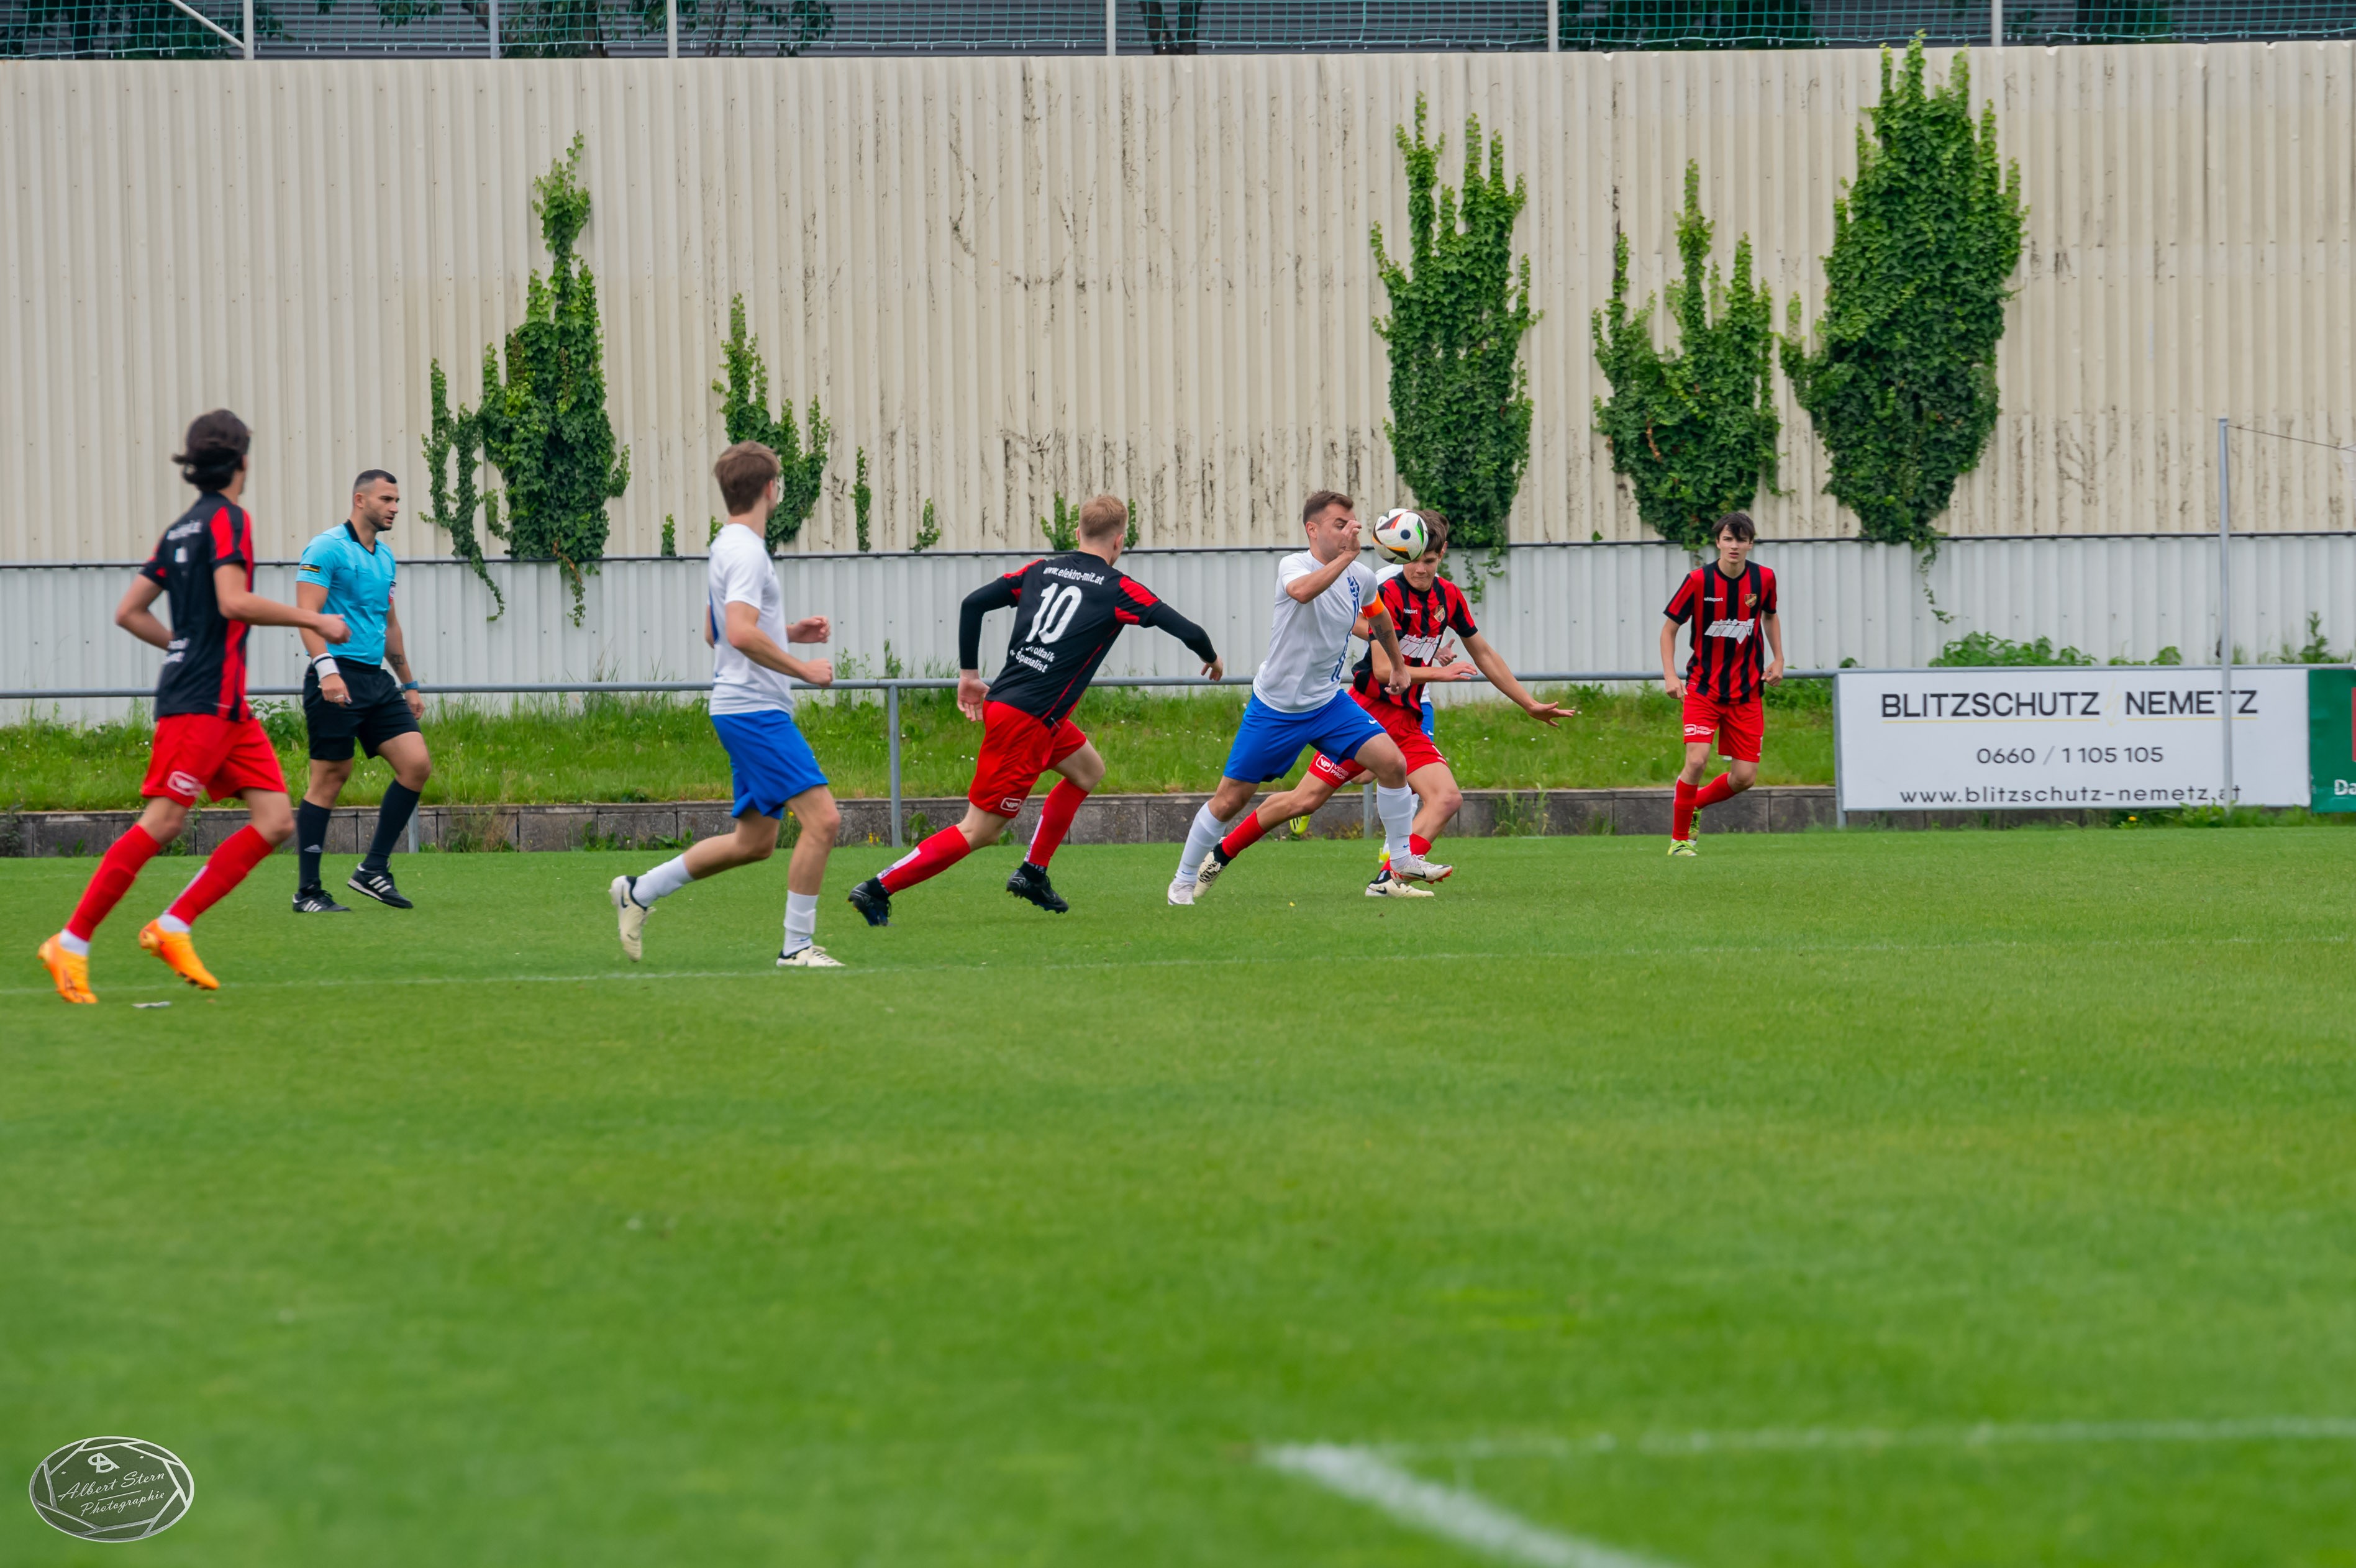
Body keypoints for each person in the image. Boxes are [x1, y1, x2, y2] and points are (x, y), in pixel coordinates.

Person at [36, 410, 351, 1004]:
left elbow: (130, 611)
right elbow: (233, 602)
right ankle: (70, 943)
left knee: (276, 820)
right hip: (200, 702)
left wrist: (181, 645)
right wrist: (314, 617)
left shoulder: (180, 528)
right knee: (163, 821)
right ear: (242, 461)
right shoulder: (229, 519)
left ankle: (173, 925)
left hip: (227, 706)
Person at [848, 495, 1221, 925]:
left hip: (1030, 712)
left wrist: (968, 673)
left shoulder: (1039, 570)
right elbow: (1188, 630)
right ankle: (877, 888)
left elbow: (973, 603)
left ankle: (1032, 872)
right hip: (1026, 721)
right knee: (981, 830)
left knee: (1087, 770)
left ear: (1077, 533)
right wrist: (1211, 657)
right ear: (1120, 542)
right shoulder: (1119, 588)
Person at [1220, 512, 1576, 895]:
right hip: (1364, 712)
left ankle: (1387, 879)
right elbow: (1377, 663)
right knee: (1304, 801)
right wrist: (1403, 649)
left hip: (1409, 714)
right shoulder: (1386, 586)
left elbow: (1484, 654)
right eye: (1414, 560)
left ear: (1441, 555)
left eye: (1430, 560)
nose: (1421, 569)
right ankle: (1221, 853)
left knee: (1446, 798)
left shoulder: (1448, 596)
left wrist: (1528, 704)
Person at [609, 441, 845, 968]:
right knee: (823, 821)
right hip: (753, 710)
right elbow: (736, 634)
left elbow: (715, 630)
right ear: (770, 489)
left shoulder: (726, 546)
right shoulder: (745, 552)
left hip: (741, 706)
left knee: (755, 841)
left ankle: (638, 889)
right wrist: (804, 668)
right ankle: (796, 947)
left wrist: (787, 633)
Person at [1170, 489, 1412, 906]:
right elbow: (1302, 592)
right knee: (1229, 800)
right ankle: (1183, 880)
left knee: (1392, 763)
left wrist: (1399, 663)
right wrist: (1346, 558)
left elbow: (1378, 617)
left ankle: (1402, 860)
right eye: (1339, 524)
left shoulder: (1361, 577)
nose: (1349, 530)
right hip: (1276, 708)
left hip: (1327, 704)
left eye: (1351, 523)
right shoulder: (1294, 565)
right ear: (1312, 529)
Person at [289, 469, 431, 912]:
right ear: (360, 499)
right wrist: (327, 670)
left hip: (376, 680)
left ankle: (373, 869)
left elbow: (389, 626)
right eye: (387, 499)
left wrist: (408, 682)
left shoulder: (385, 558)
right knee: (330, 779)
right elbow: (306, 614)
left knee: (416, 764)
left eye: (397, 500)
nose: (394, 508)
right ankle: (308, 892)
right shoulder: (326, 547)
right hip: (336, 676)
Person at [1660, 510, 1782, 856]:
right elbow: (1669, 630)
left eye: (1741, 540)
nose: (1734, 545)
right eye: (1728, 539)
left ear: (1750, 544)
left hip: (1746, 693)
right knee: (1697, 761)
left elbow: (1770, 617)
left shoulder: (1765, 580)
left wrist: (1779, 658)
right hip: (1703, 689)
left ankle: (1692, 803)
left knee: (1745, 778)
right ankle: (1679, 841)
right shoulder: (1698, 581)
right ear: (1718, 542)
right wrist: (1670, 675)